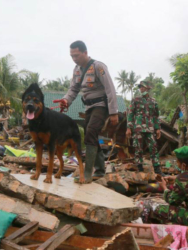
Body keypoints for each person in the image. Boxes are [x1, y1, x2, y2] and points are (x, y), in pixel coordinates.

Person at [61, 40, 119, 183]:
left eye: (77, 55)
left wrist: (113, 112)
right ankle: (99, 171)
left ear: (85, 53)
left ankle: (87, 174)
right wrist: (66, 100)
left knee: (91, 131)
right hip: (89, 107)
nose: (74, 59)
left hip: (101, 106)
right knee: (89, 135)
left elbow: (110, 89)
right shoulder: (76, 70)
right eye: (72, 56)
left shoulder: (98, 66)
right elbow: (73, 89)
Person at [126, 80, 162, 174]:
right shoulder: (136, 100)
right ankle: (140, 168)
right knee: (138, 148)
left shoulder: (153, 101)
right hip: (138, 128)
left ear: (148, 88)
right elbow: (130, 114)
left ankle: (157, 169)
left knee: (153, 147)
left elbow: (155, 116)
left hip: (150, 128)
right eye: (140, 87)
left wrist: (157, 128)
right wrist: (129, 127)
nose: (141, 88)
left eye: (143, 87)